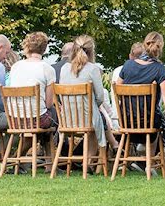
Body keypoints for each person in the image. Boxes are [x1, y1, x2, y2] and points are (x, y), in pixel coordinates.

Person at [117, 32, 165, 162]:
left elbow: (117, 89)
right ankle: (148, 161)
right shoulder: (159, 69)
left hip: (127, 121)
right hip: (148, 122)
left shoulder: (127, 65)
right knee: (161, 122)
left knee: (154, 119)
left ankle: (141, 154)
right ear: (160, 48)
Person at [58, 35, 108, 165]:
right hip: (87, 118)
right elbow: (100, 97)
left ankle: (87, 161)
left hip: (68, 119)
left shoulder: (64, 69)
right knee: (96, 119)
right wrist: (91, 106)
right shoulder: (93, 69)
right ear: (91, 51)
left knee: (94, 118)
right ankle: (89, 161)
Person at [8, 32, 56, 129]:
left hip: (15, 120)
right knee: (53, 113)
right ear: (44, 48)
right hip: (37, 120)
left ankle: (33, 142)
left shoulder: (15, 66)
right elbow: (49, 103)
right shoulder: (47, 69)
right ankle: (48, 143)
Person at [111, 42, 144, 122]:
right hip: (146, 121)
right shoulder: (149, 72)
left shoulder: (117, 71)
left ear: (130, 56)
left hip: (121, 120)